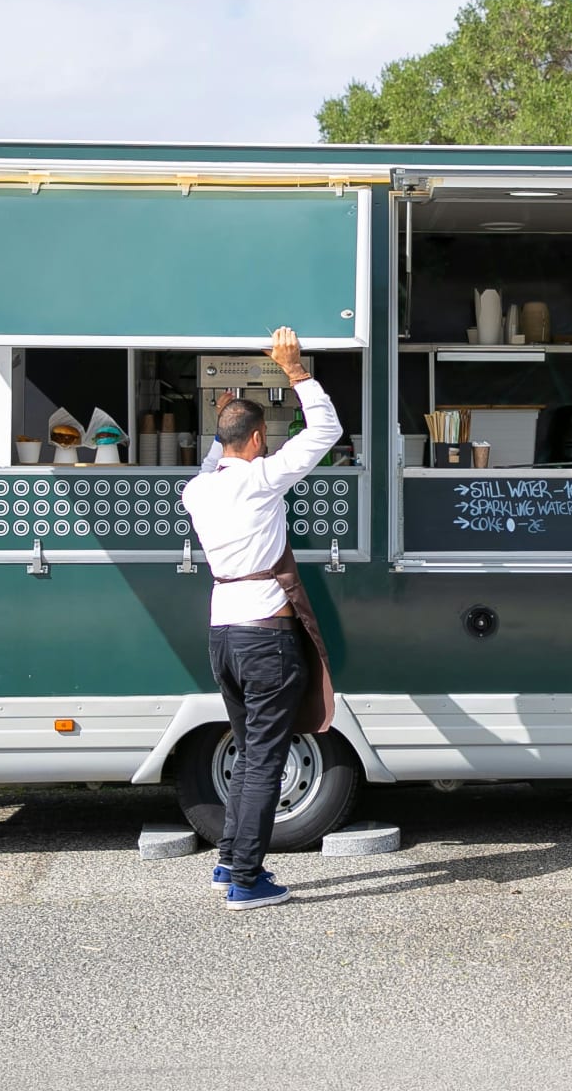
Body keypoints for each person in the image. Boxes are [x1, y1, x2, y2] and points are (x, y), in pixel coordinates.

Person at [182, 327, 342, 910]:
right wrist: (295, 371)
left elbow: (214, 457)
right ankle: (246, 879)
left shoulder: (197, 491)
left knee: (250, 754)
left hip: (222, 633)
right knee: (264, 761)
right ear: (257, 440)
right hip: (264, 638)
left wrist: (226, 414)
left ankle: (230, 864)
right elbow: (327, 432)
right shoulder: (261, 478)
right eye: (262, 439)